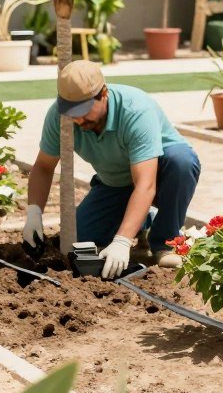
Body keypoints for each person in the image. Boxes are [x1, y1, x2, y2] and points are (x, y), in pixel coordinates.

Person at [22, 60, 201, 277]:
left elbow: (146, 184)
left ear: (103, 94)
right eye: (71, 112)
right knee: (79, 238)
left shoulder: (135, 111)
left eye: (84, 110)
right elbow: (43, 166)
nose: (78, 119)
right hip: (114, 182)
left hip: (160, 173)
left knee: (182, 161)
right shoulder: (59, 118)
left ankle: (165, 242)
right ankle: (143, 220)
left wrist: (122, 241)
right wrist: (34, 213)